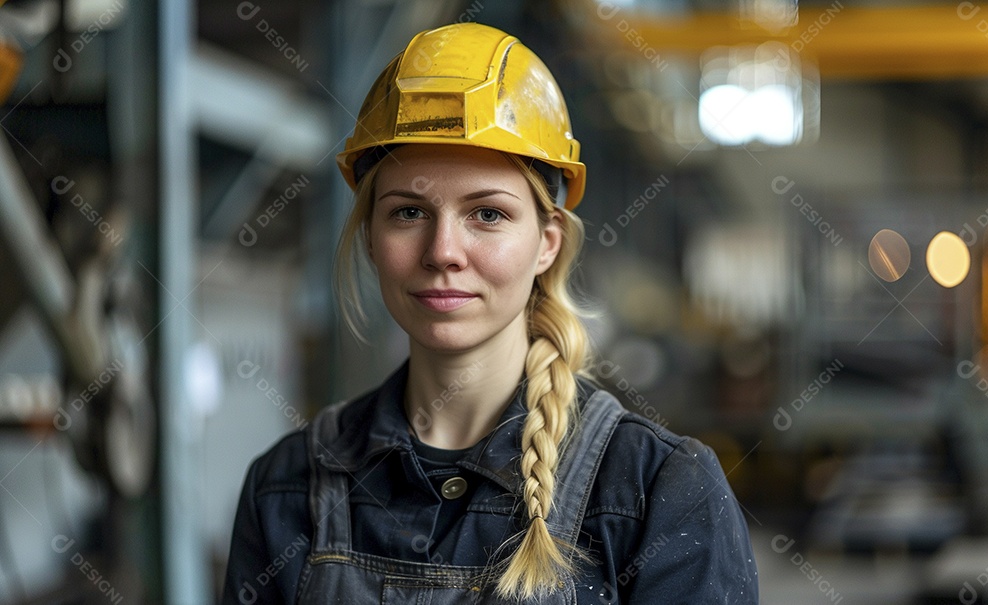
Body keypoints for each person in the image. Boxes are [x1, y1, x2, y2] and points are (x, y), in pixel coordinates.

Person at [222, 22, 758, 604]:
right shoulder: (287, 487)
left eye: (488, 214)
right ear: (372, 237)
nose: (443, 252)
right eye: (408, 212)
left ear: (547, 243)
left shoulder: (658, 493)